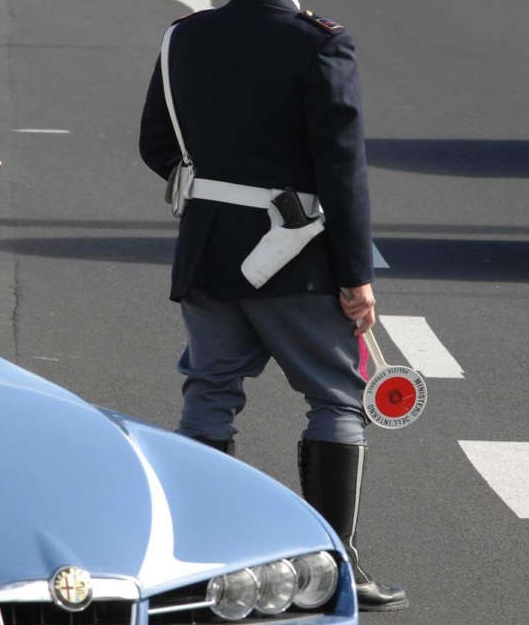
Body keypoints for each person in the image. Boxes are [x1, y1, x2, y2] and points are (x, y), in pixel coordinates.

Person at [139, 0, 407, 612]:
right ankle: (333, 566)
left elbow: (156, 142)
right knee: (337, 397)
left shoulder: (184, 37)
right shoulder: (320, 43)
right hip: (299, 257)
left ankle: (202, 564)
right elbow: (342, 166)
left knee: (209, 392)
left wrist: (216, 192)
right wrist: (355, 272)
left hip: (208, 247)